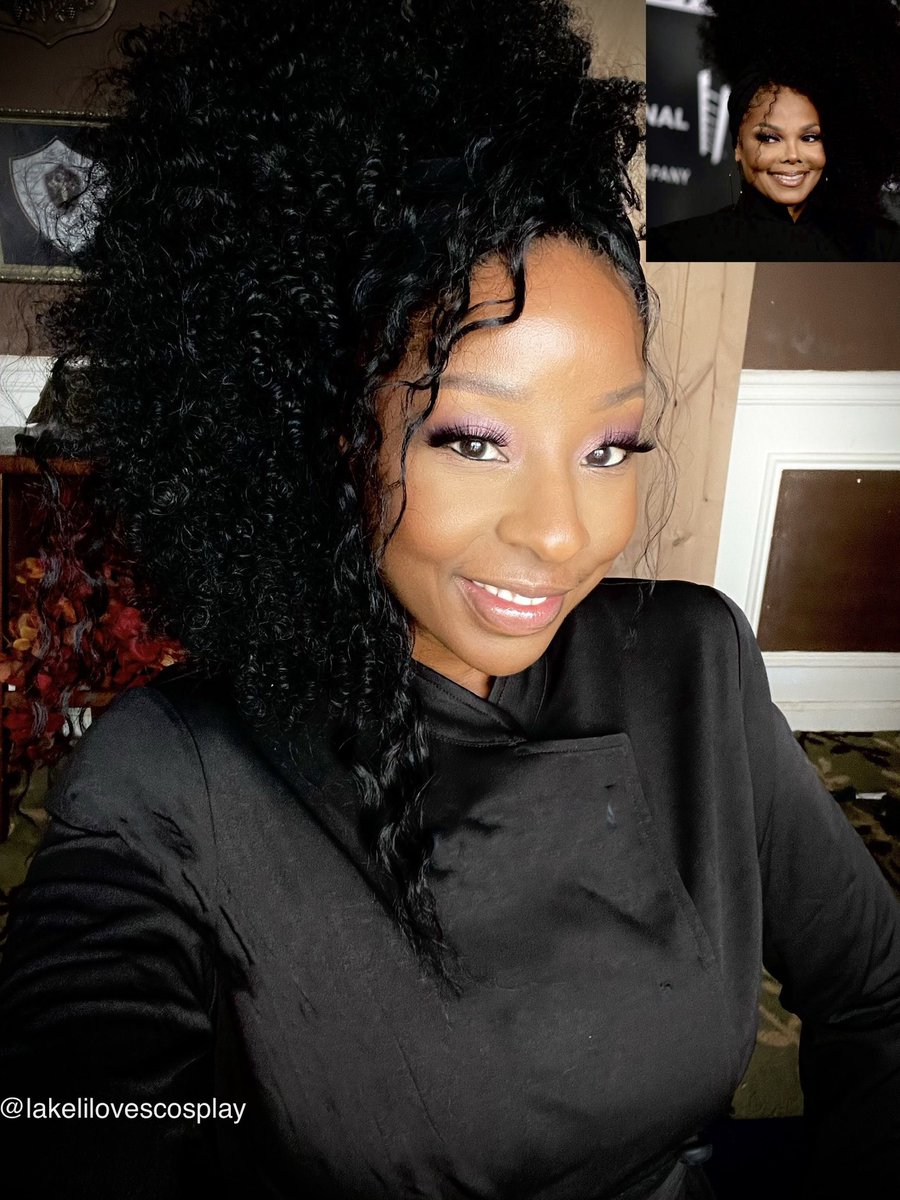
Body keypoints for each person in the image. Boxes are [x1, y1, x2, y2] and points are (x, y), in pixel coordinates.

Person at [0, 2, 898, 1198]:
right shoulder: (171, 776)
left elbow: (880, 995)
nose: (563, 534)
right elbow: (74, 1102)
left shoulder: (695, 666)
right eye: (474, 441)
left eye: (609, 447)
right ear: (334, 435)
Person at [647, 0, 900, 262]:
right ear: (737, 146)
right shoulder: (675, 246)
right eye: (769, 138)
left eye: (809, 137)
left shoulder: (883, 248)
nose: (792, 155)